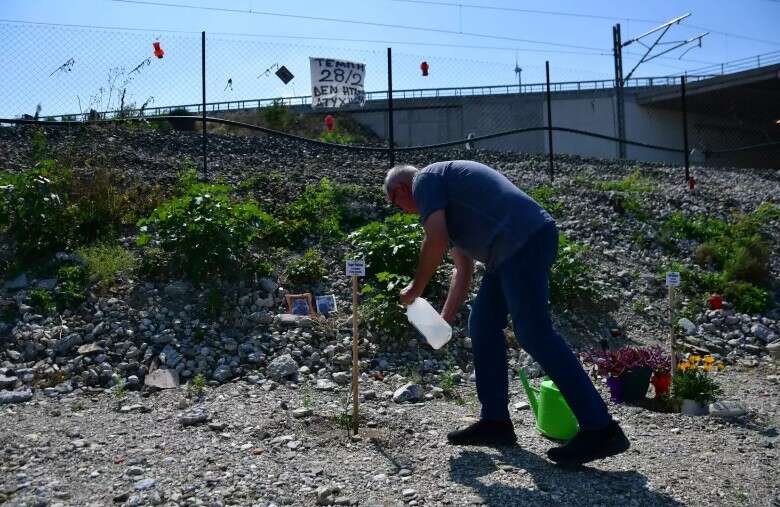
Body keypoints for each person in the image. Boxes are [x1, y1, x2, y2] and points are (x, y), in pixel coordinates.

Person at [383, 160, 630, 466]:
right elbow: (463, 271)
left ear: (401, 189)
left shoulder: (425, 181)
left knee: (534, 333)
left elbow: (435, 240)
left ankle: (601, 428)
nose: (403, 211)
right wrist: (442, 322)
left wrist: (415, 289)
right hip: (508, 251)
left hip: (523, 241)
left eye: (396, 204)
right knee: (482, 324)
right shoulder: (447, 204)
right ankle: (496, 422)